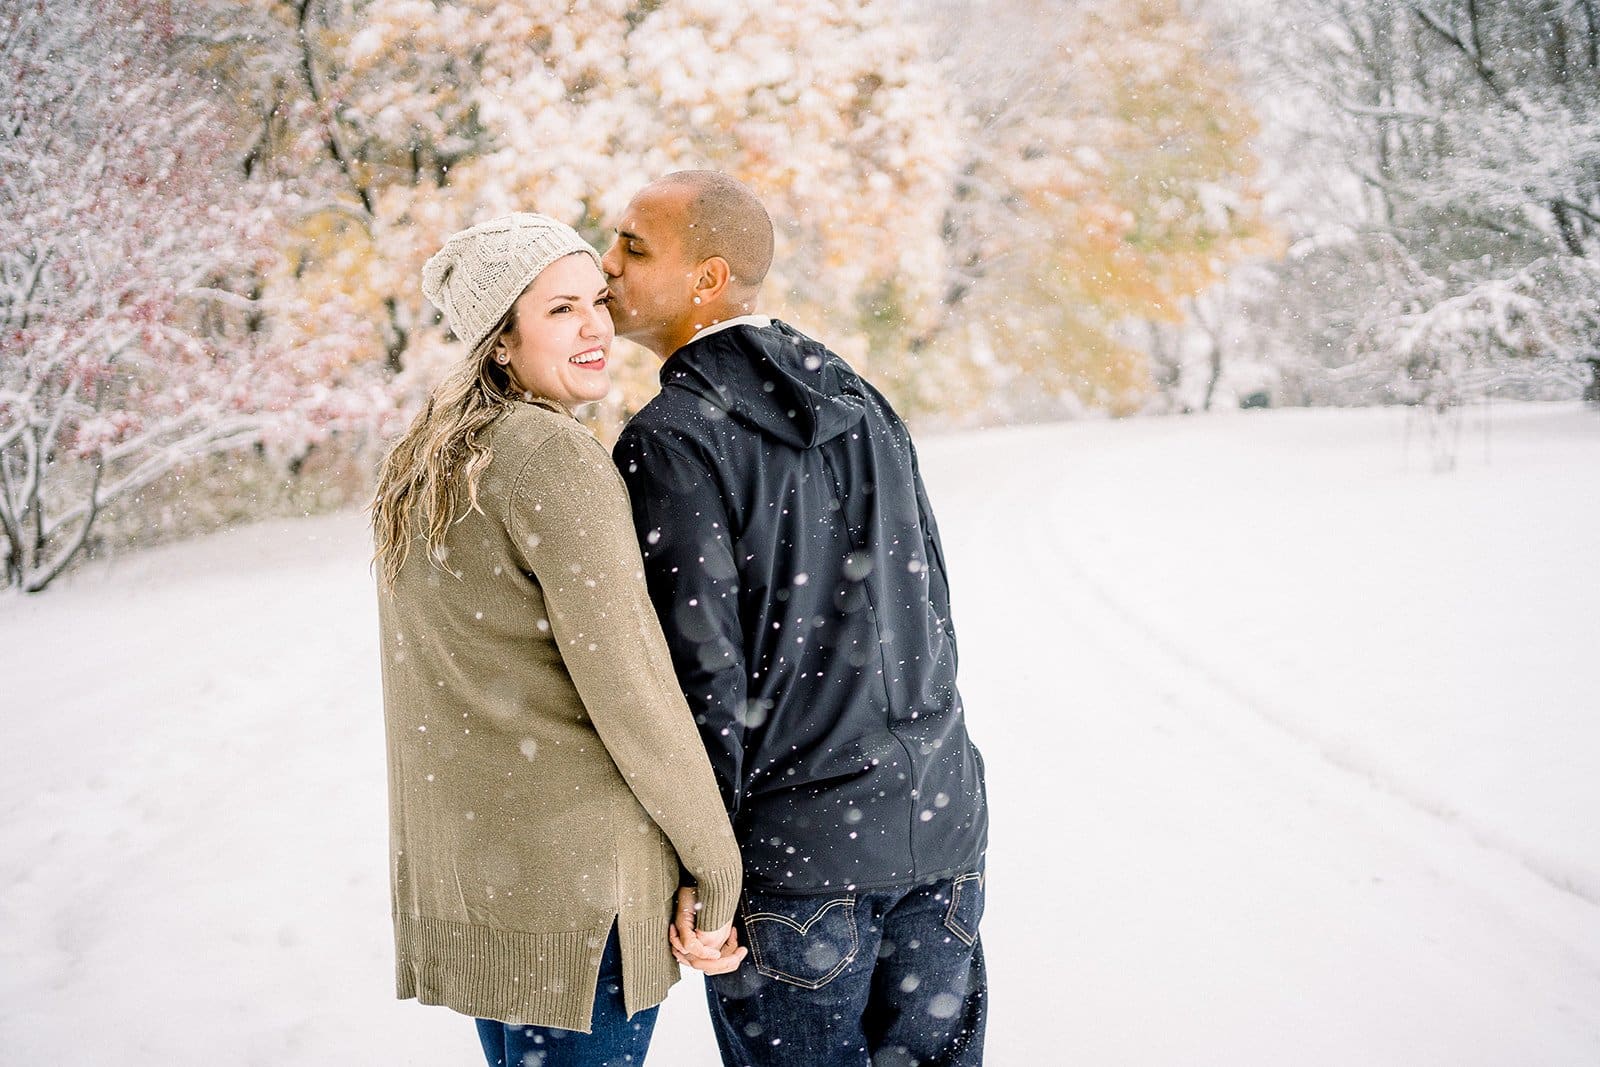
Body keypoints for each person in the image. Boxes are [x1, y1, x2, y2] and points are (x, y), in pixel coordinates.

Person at [604, 173, 990, 1066]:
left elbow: (700, 675)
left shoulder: (671, 436)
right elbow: (929, 604)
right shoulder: (863, 399)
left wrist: (706, 868)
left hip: (798, 871)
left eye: (632, 245)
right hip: (940, 836)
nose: (606, 264)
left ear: (705, 279)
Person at [370, 212, 746, 1067]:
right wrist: (716, 864)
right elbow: (633, 689)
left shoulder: (427, 461)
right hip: (581, 901)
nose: (595, 327)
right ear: (499, 341)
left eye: (596, 303)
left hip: (487, 882)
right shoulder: (552, 458)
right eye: (560, 310)